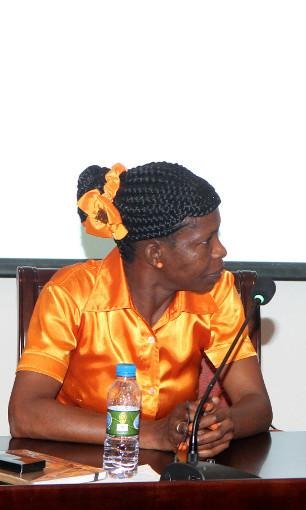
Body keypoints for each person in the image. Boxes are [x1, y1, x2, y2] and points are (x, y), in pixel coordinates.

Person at [9, 162, 272, 458]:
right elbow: (24, 413)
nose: (220, 250)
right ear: (155, 254)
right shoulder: (71, 293)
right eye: (205, 241)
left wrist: (226, 424)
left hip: (171, 469)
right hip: (82, 466)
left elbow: (257, 403)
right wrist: (150, 433)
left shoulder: (216, 291)